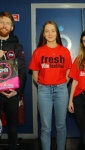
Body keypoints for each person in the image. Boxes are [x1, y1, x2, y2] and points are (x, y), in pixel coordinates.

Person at [28, 20, 72, 150]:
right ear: (43, 34)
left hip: (61, 90)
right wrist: (44, 85)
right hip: (44, 91)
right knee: (46, 127)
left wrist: (60, 84)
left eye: (53, 30)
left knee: (61, 126)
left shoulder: (64, 51)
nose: (50, 33)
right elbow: (35, 76)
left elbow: (68, 74)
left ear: (57, 33)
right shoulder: (38, 52)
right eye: (47, 31)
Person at [0, 11, 26, 150]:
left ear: (12, 27)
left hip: (11, 93)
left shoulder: (17, 46)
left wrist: (16, 92)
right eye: (1, 22)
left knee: (12, 129)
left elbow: (22, 71)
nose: (4, 25)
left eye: (7, 23)